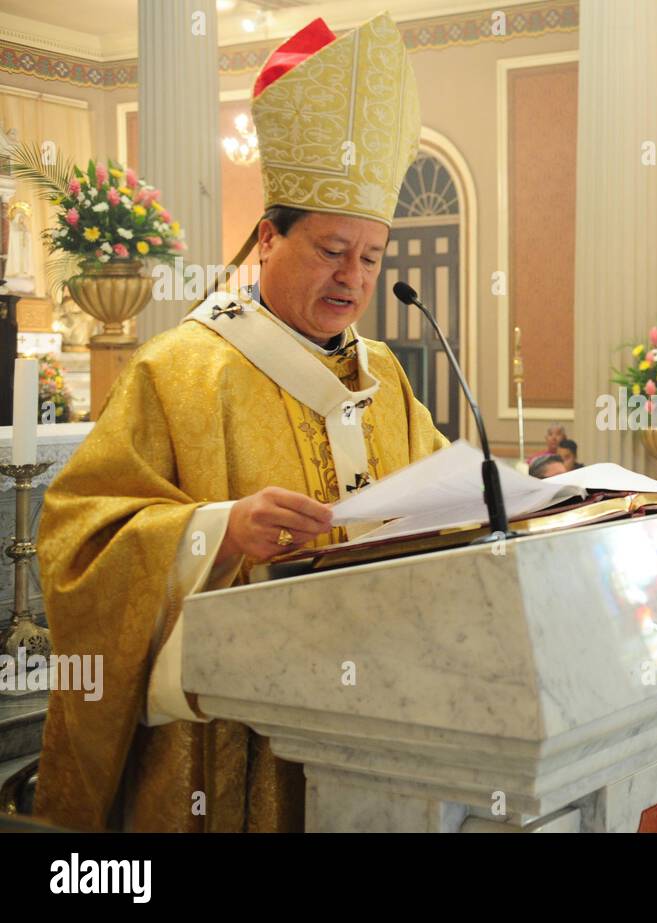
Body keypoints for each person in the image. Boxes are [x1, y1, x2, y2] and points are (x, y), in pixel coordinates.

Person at [33, 14, 448, 833]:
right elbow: (75, 541)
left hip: (377, 711)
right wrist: (218, 530)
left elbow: (443, 507)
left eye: (371, 256)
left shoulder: (387, 377)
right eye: (331, 249)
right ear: (267, 238)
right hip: (231, 741)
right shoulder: (184, 370)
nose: (354, 277)